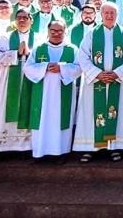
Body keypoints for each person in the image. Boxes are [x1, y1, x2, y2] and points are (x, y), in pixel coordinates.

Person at [75, 2, 123, 162]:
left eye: (112, 13)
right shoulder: (92, 33)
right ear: (101, 14)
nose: (109, 15)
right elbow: (83, 56)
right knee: (92, 114)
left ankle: (114, 148)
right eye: (106, 13)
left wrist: (117, 73)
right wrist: (98, 74)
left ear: (117, 15)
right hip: (95, 82)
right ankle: (89, 148)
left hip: (115, 81)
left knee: (115, 112)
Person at [23, 20, 82, 162]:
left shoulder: (72, 49)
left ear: (65, 32)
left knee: (61, 122)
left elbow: (80, 68)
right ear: (48, 31)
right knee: (42, 121)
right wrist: (45, 67)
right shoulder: (38, 48)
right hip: (42, 93)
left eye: (60, 31)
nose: (56, 34)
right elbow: (27, 68)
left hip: (64, 92)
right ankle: (39, 153)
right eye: (53, 31)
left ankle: (60, 153)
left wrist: (62, 68)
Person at [0, 9, 37, 155]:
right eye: (19, 17)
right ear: (15, 21)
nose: (22, 20)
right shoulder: (4, 38)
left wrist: (29, 53)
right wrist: (16, 53)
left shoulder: (39, 38)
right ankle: (3, 147)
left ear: (31, 20)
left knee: (29, 108)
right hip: (8, 81)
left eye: (25, 17)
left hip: (32, 80)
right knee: (3, 110)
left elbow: (44, 55)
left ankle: (27, 146)